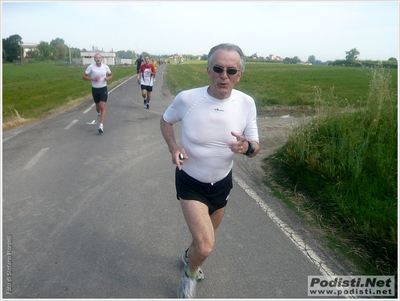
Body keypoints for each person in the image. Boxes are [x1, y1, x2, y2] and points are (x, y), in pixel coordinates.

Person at [160, 43, 260, 298]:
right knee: (205, 247)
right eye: (218, 68)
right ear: (208, 70)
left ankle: (187, 257)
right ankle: (189, 275)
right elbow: (166, 120)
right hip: (190, 181)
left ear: (239, 75)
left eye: (231, 70)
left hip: (222, 184)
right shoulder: (187, 99)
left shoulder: (246, 104)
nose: (223, 76)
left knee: (201, 241)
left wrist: (247, 146)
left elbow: (256, 146)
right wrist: (174, 147)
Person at [82, 53, 113, 134]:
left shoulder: (105, 67)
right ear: (94, 59)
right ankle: (98, 113)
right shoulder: (91, 67)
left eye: (99, 58)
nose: (98, 59)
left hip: (103, 89)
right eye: (96, 58)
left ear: (101, 59)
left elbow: (111, 75)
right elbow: (84, 77)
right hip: (95, 89)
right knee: (98, 106)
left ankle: (101, 126)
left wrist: (108, 78)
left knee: (102, 106)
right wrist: (93, 79)